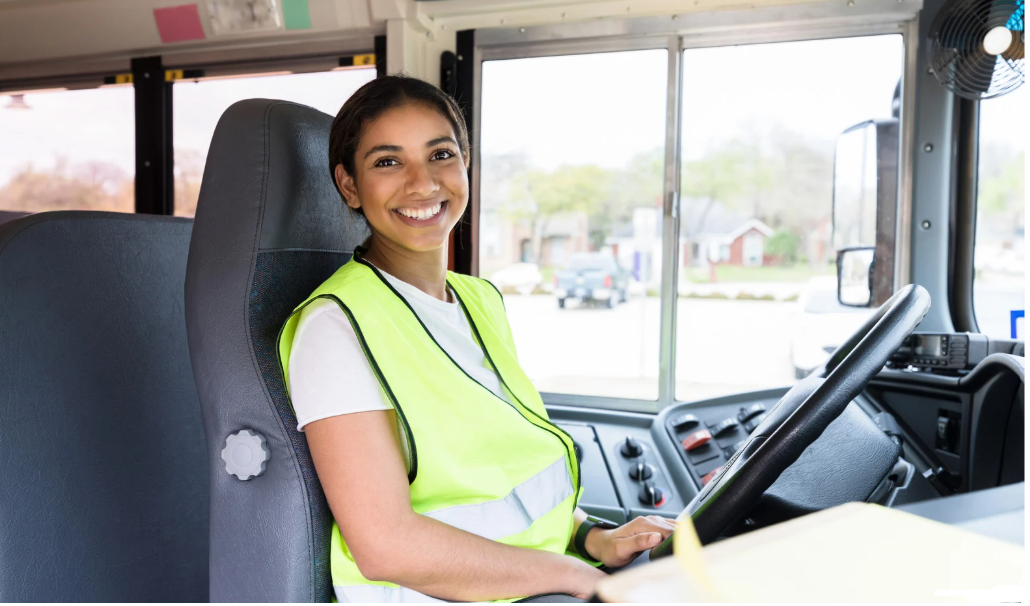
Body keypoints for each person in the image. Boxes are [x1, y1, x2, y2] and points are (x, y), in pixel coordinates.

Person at [277, 75, 676, 604]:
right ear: (349, 185)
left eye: (440, 154)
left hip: (523, 585)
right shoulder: (335, 327)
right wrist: (571, 574)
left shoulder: (479, 300)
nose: (422, 183)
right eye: (387, 161)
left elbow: (502, 472)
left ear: (466, 166)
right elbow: (385, 546)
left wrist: (590, 537)